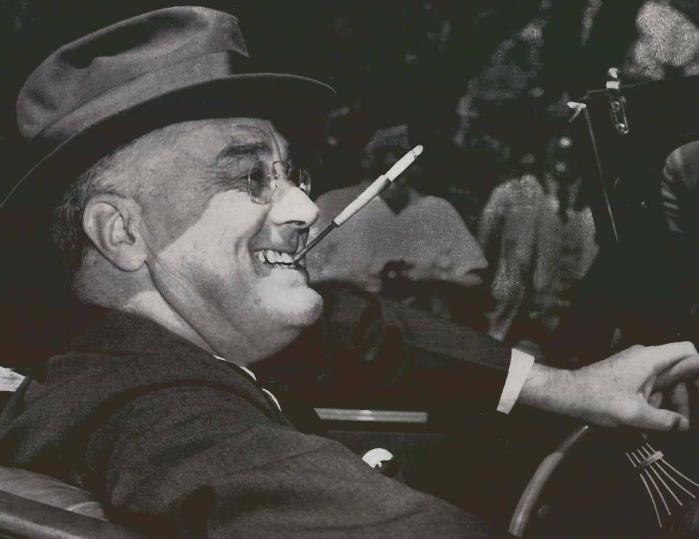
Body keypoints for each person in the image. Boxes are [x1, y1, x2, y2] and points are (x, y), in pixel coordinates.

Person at [0, 7, 698, 538]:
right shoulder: (162, 422)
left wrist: (569, 387)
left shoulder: (141, 354)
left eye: (290, 173)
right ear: (121, 232)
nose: (305, 207)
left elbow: (354, 327)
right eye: (248, 174)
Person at [307, 124, 487, 323]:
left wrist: (433, 276)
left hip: (422, 323)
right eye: (382, 160)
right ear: (365, 160)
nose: (393, 166)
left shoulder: (438, 210)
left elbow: (475, 277)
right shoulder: (333, 205)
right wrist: (348, 279)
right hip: (350, 322)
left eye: (401, 158)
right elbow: (302, 272)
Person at [479, 137, 598, 358]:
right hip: (510, 329)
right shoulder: (510, 196)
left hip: (564, 339)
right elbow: (482, 256)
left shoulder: (593, 210)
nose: (565, 150)